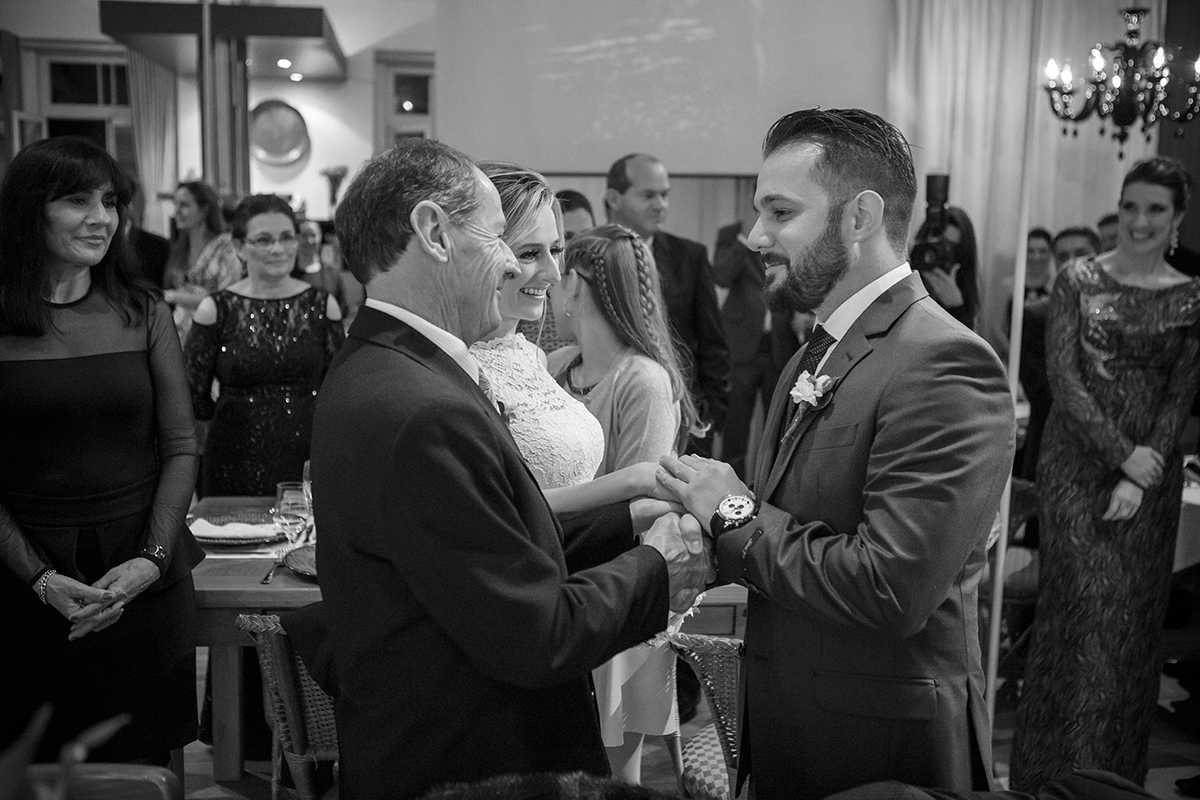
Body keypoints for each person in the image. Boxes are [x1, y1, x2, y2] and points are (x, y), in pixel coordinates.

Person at [311, 137, 710, 800]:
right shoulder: (422, 406)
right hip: (469, 760)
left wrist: (629, 520)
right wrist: (660, 566)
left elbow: (487, 545)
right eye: (501, 237)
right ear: (433, 233)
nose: (516, 265)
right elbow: (536, 634)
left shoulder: (386, 363)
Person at [655, 107, 1015, 799]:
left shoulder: (944, 362)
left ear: (860, 217)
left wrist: (731, 511)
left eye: (781, 212)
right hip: (793, 719)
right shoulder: (809, 357)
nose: (756, 236)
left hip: (879, 743)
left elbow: (891, 589)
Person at [0, 136, 204, 765]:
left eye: (110, 202)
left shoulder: (143, 311)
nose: (101, 218)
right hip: (21, 578)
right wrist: (38, 579)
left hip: (141, 572)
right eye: (77, 201)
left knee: (145, 769)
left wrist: (152, 560)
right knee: (33, 769)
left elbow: (181, 445)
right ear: (29, 211)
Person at [1010, 156, 1200, 791]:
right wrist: (1122, 455)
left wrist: (1142, 471)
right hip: (1076, 470)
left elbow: (1180, 393)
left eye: (1155, 209)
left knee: (1131, 633)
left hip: (1151, 479)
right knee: (1079, 619)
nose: (1140, 221)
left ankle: (1113, 784)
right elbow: (1064, 380)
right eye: (1130, 207)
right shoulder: (1078, 279)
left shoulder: (1192, 295)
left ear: (1177, 217)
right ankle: (1049, 780)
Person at [548, 224, 704, 782]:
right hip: (563, 571)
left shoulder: (642, 379)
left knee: (617, 776)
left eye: (559, 270)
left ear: (576, 284)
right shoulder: (557, 364)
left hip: (618, 581)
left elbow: (642, 500)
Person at [471, 162, 665, 513]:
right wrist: (631, 481)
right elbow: (494, 507)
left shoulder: (535, 357)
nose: (553, 273)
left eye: (556, 250)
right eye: (530, 253)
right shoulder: (461, 366)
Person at [185, 194, 344, 497]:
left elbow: (338, 392)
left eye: (287, 238)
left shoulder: (323, 306)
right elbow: (193, 396)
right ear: (238, 247)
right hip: (232, 454)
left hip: (308, 456)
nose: (278, 249)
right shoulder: (216, 309)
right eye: (264, 240)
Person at [605, 153, 729, 454]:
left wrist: (709, 412)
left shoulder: (690, 257)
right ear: (614, 198)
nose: (660, 205)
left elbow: (713, 344)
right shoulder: (593, 256)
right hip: (607, 414)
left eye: (664, 195)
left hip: (684, 420)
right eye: (648, 195)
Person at [713, 198, 781, 480]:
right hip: (741, 347)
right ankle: (729, 490)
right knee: (736, 428)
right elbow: (721, 275)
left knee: (778, 430)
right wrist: (743, 239)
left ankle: (770, 489)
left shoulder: (784, 231)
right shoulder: (731, 235)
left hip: (779, 346)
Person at [515, 189, 593, 352]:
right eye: (569, 236)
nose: (580, 244)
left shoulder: (598, 292)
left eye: (587, 235)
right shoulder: (532, 287)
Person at [163, 181, 241, 340]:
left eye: (184, 205)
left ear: (204, 210)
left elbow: (227, 299)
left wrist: (174, 296)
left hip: (213, 333)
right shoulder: (179, 248)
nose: (176, 211)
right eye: (175, 204)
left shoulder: (225, 246)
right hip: (180, 335)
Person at [914, 205, 980, 330]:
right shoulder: (903, 275)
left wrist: (955, 306)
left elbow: (964, 342)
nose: (940, 253)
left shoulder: (960, 296)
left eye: (951, 248)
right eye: (939, 243)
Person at [293, 219, 347, 311]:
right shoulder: (288, 274)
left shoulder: (332, 275)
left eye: (313, 235)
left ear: (320, 237)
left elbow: (342, 308)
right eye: (304, 235)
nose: (309, 240)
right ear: (297, 238)